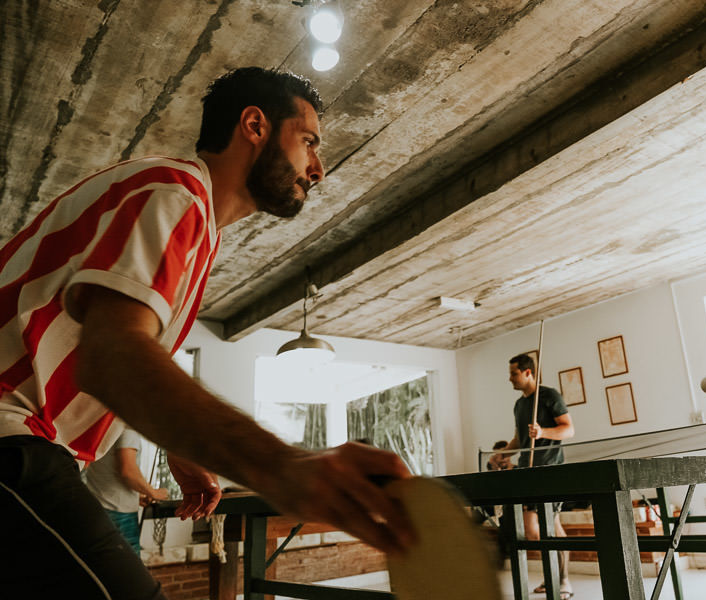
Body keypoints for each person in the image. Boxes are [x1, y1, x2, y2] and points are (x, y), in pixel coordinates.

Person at [0, 67, 414, 599]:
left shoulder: (190, 221)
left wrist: (179, 441)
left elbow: (115, 348)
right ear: (255, 125)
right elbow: (112, 357)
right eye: (309, 141)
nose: (319, 168)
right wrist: (286, 467)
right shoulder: (174, 194)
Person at [490, 353, 575, 599]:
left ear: (528, 372)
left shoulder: (549, 396)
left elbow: (569, 429)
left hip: (550, 470)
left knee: (551, 526)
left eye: (514, 373)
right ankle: (552, 577)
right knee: (531, 531)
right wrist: (502, 455)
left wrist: (543, 431)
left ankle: (563, 581)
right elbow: (519, 439)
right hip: (527, 472)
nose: (510, 378)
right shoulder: (519, 405)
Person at [83, 428, 168, 553]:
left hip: (98, 506)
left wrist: (136, 496)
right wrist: (154, 493)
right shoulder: (126, 427)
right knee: (128, 569)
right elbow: (128, 471)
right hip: (118, 513)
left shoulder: (105, 423)